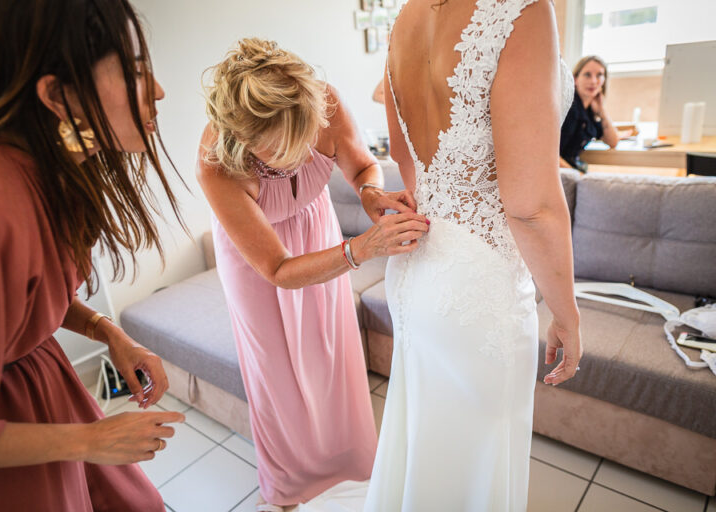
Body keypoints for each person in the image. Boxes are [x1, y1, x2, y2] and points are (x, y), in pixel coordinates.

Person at [301, 0, 583, 510]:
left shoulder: (405, 19)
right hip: (481, 285)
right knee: (475, 460)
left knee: (428, 440)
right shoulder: (522, 11)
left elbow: (409, 170)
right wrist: (568, 314)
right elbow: (531, 207)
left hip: (417, 266)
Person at [0, 0, 187, 510]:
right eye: (137, 73)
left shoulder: (50, 169)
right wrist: (92, 441)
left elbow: (25, 300)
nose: (159, 91)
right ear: (57, 94)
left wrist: (109, 332)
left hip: (44, 403)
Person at [197, 38, 429, 511]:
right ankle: (290, 490)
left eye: (304, 137)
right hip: (260, 262)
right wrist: (362, 248)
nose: (302, 153)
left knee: (333, 351)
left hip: (317, 231)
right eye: (282, 148)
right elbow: (278, 269)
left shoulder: (325, 101)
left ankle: (351, 467)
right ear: (244, 139)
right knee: (277, 373)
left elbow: (363, 165)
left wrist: (370, 197)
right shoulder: (216, 165)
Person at [559, 55, 620, 171]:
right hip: (560, 173)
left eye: (599, 75)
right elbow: (549, 154)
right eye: (587, 75)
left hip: (570, 169)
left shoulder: (590, 109)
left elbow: (613, 141)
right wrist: (578, 176)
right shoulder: (570, 108)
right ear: (575, 79)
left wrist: (602, 111)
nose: (593, 81)